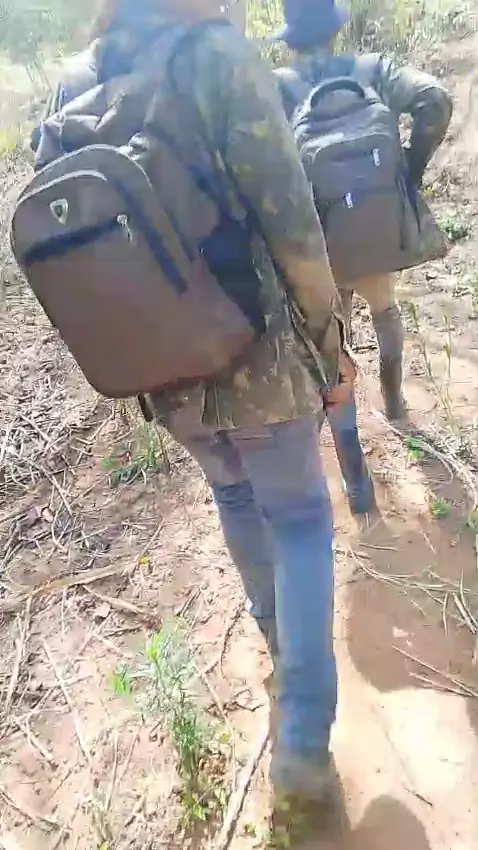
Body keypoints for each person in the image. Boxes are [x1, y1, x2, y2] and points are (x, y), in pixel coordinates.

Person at [33, 0, 357, 806]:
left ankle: (279, 649)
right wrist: (330, 347)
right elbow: (291, 220)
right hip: (254, 350)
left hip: (157, 365)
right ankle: (304, 740)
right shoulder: (219, 55)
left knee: (235, 497)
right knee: (300, 520)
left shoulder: (77, 83)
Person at [273, 0, 453, 421]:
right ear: (336, 30)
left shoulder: (277, 87)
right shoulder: (373, 70)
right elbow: (435, 99)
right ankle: (394, 403)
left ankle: (343, 418)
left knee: (332, 326)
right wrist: (410, 170)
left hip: (319, 236)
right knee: (385, 309)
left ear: (290, 40)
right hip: (379, 224)